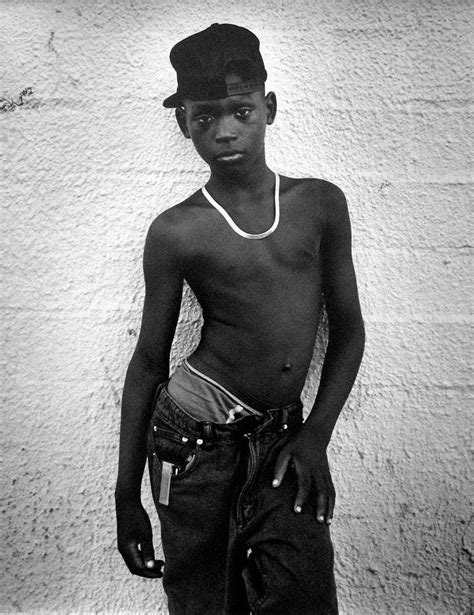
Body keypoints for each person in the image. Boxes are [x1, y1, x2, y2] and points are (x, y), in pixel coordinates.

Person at [115, 23, 365, 615]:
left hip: (284, 440)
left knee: (303, 597)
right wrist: (127, 495)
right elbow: (150, 361)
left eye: (241, 110)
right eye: (204, 117)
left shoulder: (319, 204)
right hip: (190, 446)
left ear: (268, 108)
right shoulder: (177, 230)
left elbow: (349, 330)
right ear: (185, 124)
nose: (225, 130)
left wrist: (315, 437)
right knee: (205, 603)